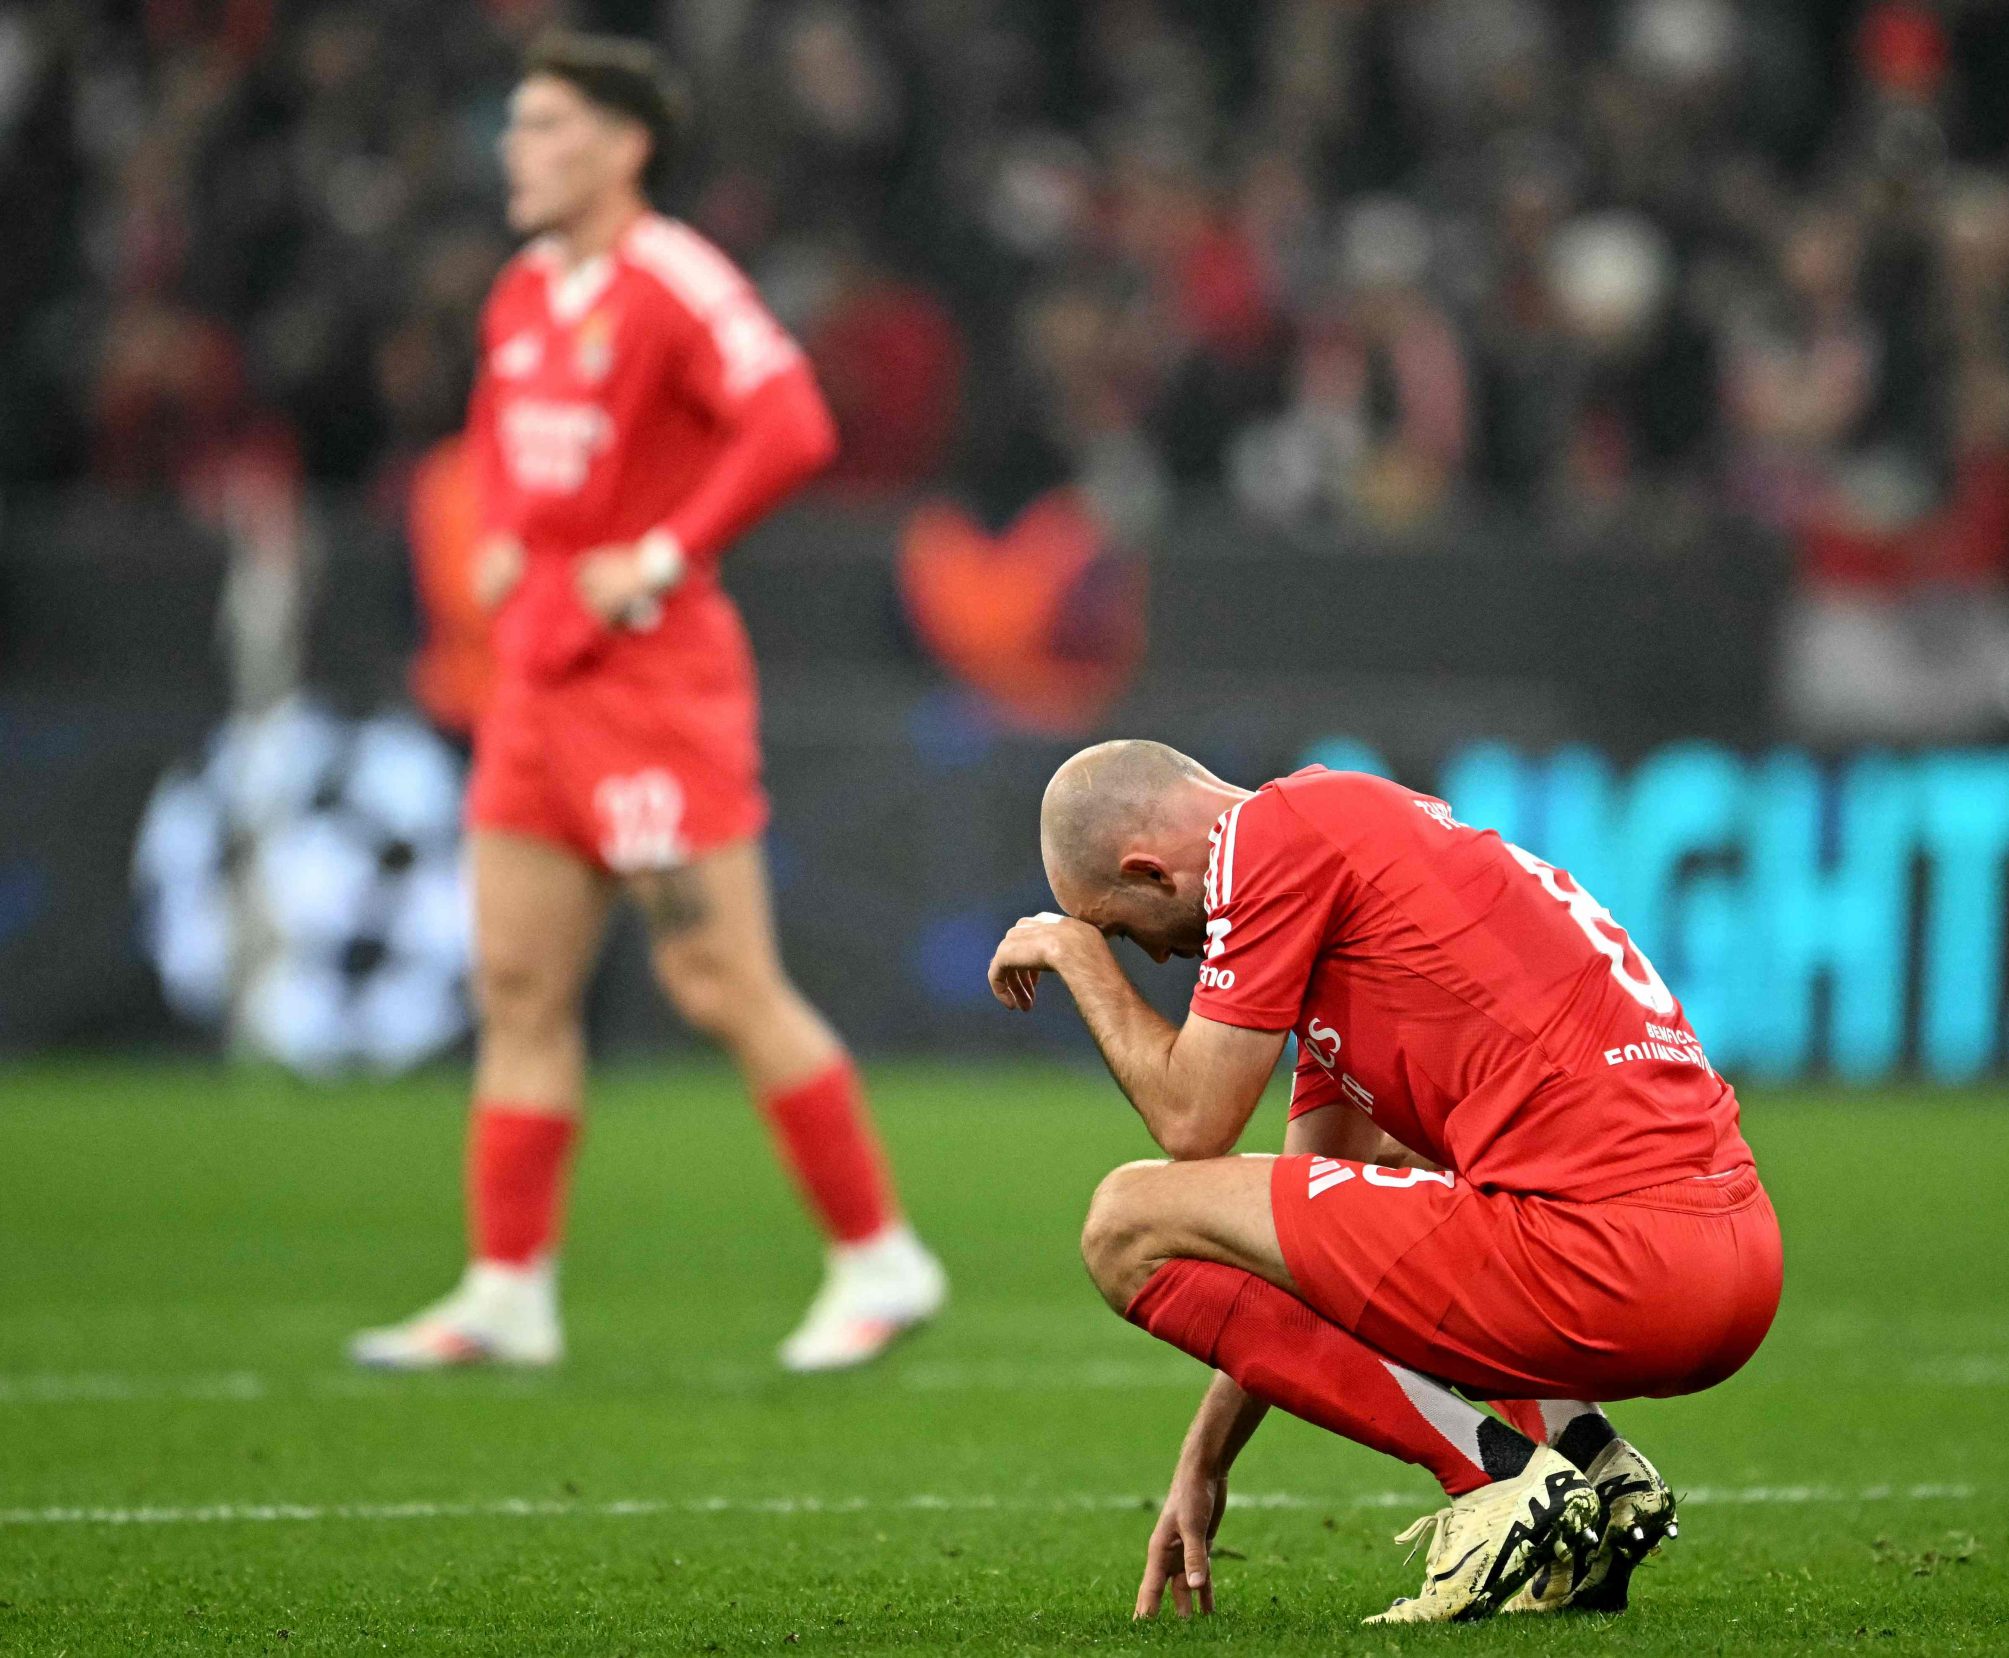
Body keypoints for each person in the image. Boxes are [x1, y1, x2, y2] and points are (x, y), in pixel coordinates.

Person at [352, 33, 942, 1374]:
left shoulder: (674, 275)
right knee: (518, 982)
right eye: (518, 123)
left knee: (718, 977)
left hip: (657, 685)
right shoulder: (520, 290)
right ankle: (508, 1289)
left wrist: (664, 553)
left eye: (548, 124)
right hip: (539, 682)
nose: (518, 147)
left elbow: (792, 422)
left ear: (624, 147)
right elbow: (501, 433)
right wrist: (503, 530)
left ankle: (880, 1253)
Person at [985, 743, 1781, 1623]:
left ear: (1148, 871)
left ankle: (1496, 1483)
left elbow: (1192, 1123)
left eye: (1126, 931)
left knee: (1122, 1220)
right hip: (1731, 1261)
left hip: (1616, 1262)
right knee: (1386, 1172)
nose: (1158, 961)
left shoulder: (1267, 838)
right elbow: (1292, 1257)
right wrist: (1206, 1458)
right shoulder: (1361, 861)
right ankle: (1589, 1460)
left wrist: (1078, 959)